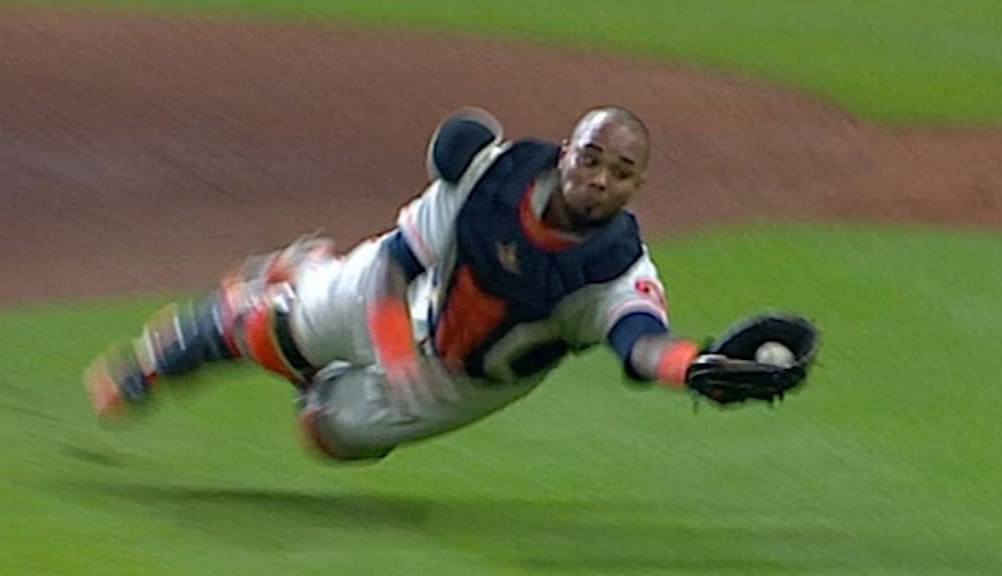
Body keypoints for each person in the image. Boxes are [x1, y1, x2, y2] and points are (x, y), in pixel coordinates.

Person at [84, 105, 710, 461]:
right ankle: (157, 362)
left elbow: (641, 341)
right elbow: (396, 266)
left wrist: (696, 366)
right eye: (592, 158)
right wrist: (392, 351)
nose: (600, 180)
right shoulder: (491, 177)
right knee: (269, 328)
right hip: (398, 295)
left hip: (464, 380)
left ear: (636, 188)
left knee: (325, 433)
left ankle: (315, 337)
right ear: (568, 149)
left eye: (621, 173)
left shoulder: (618, 268)